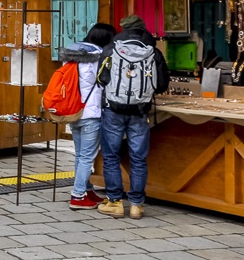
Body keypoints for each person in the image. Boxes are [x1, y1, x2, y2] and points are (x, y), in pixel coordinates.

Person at [96, 14, 169, 220]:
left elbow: (101, 78)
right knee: (138, 158)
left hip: (113, 109)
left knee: (111, 156)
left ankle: (115, 202)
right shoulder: (152, 52)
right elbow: (162, 84)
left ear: (123, 29)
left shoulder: (111, 49)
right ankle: (136, 205)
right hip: (140, 111)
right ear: (142, 29)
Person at [64, 23, 115, 210]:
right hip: (91, 113)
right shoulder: (97, 57)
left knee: (80, 155)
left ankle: (86, 189)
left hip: (73, 111)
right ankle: (77, 196)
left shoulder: (71, 56)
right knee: (87, 156)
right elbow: (104, 80)